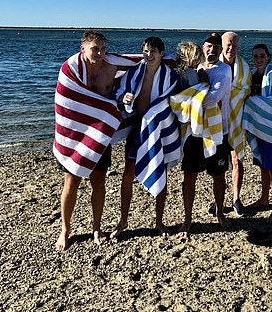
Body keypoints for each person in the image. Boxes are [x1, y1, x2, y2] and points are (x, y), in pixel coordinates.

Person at [54, 30, 124, 250]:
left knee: (98, 182)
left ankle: (96, 227)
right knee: (71, 183)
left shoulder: (112, 67)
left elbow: (141, 64)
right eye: (96, 49)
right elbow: (65, 102)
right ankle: (65, 229)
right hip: (75, 135)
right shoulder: (70, 69)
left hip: (99, 134)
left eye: (103, 48)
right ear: (82, 48)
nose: (100, 53)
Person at [110, 36, 180, 239]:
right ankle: (123, 221)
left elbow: (172, 100)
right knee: (128, 173)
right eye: (146, 51)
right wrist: (123, 98)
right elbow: (118, 91)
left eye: (153, 52)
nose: (149, 55)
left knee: (161, 171)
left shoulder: (170, 76)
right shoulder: (133, 72)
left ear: (161, 54)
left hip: (158, 128)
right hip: (137, 127)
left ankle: (159, 221)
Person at [172, 33, 232, 238]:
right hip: (194, 131)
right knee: (189, 176)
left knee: (218, 175)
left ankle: (221, 212)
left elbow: (212, 99)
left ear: (221, 50)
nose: (212, 50)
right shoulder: (194, 68)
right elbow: (181, 96)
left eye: (217, 47)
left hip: (217, 130)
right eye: (209, 46)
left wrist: (193, 95)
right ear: (203, 47)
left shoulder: (225, 70)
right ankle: (187, 220)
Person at [242, 44, 272, 223]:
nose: (258, 59)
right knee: (263, 166)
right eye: (255, 56)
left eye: (261, 56)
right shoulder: (251, 75)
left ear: (268, 57)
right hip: (258, 127)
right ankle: (264, 198)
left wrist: (251, 102)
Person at [219, 31, 252, 216]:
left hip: (237, 119)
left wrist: (232, 96)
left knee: (236, 160)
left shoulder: (244, 67)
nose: (231, 49)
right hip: (218, 120)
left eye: (234, 45)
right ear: (222, 46)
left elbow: (245, 88)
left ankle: (236, 199)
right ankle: (219, 200)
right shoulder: (214, 65)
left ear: (238, 47)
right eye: (228, 45)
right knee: (219, 163)